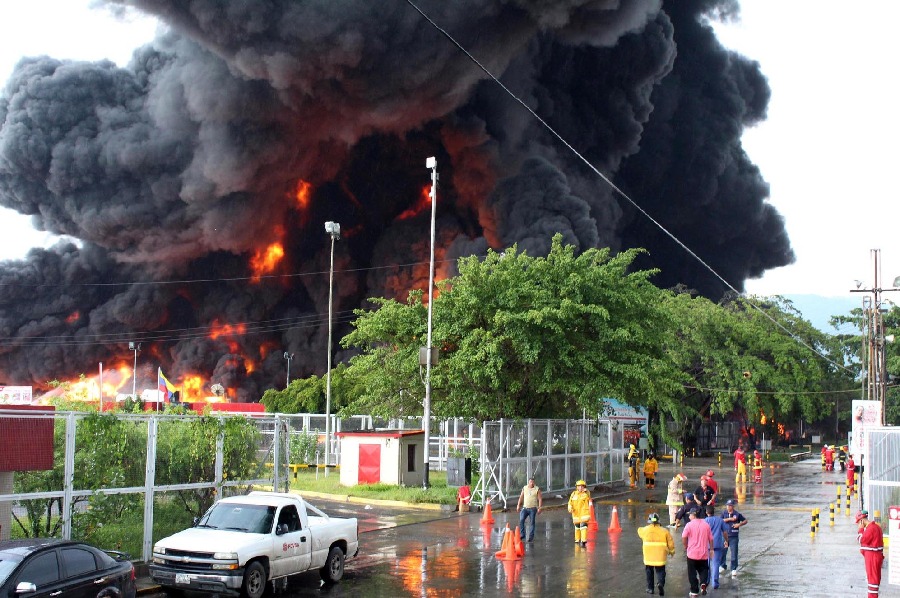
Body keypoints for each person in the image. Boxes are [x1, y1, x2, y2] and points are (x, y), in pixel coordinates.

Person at [638, 512, 675, 595]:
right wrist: (672, 552)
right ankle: (660, 583)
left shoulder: (644, 530)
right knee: (661, 571)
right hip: (660, 556)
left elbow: (639, 530)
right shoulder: (664, 531)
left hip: (648, 557)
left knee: (649, 572)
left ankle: (650, 588)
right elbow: (671, 543)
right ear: (659, 521)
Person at [682, 508, 713, 597]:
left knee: (692, 573)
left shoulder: (689, 525)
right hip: (703, 554)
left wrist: (686, 546)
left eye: (690, 514)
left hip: (691, 554)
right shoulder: (706, 525)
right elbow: (711, 539)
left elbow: (684, 537)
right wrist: (711, 549)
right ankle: (703, 583)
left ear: (693, 515)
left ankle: (694, 591)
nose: (689, 516)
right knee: (703, 570)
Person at [856, 510, 884, 598]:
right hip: (876, 556)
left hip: (872, 557)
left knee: (872, 580)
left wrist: (860, 530)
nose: (858, 525)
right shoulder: (876, 527)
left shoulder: (870, 528)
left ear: (861, 520)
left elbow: (862, 540)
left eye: (858, 523)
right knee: (875, 579)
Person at [722, 498, 748, 577]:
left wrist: (739, 524)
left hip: (734, 536)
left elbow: (745, 520)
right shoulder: (724, 513)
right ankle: (722, 565)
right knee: (723, 551)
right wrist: (730, 519)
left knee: (734, 553)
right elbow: (721, 520)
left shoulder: (737, 514)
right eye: (727, 505)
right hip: (725, 535)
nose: (728, 507)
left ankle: (733, 568)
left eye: (730, 506)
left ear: (733, 506)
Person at [705, 505, 729, 589]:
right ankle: (715, 583)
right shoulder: (720, 520)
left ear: (706, 512)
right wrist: (726, 541)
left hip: (707, 546)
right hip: (717, 545)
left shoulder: (704, 521)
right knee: (715, 564)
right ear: (713, 511)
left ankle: (706, 581)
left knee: (706, 565)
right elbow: (725, 532)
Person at [516, 476, 543, 542]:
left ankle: (531, 536)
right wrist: (518, 505)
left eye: (532, 482)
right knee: (521, 520)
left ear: (534, 483)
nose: (531, 483)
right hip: (525, 508)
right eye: (530, 482)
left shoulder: (537, 489)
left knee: (532, 522)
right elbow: (521, 497)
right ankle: (522, 535)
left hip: (533, 508)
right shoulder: (524, 488)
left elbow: (540, 499)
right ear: (528, 482)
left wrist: (539, 507)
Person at [567, 479, 592, 547]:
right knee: (577, 527)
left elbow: (588, 495)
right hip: (576, 514)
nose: (580, 487)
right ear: (576, 487)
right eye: (579, 486)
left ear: (584, 487)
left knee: (583, 527)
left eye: (582, 486)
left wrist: (586, 491)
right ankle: (577, 540)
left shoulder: (586, 493)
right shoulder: (573, 494)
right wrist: (570, 508)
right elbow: (570, 502)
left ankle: (583, 541)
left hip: (584, 514)